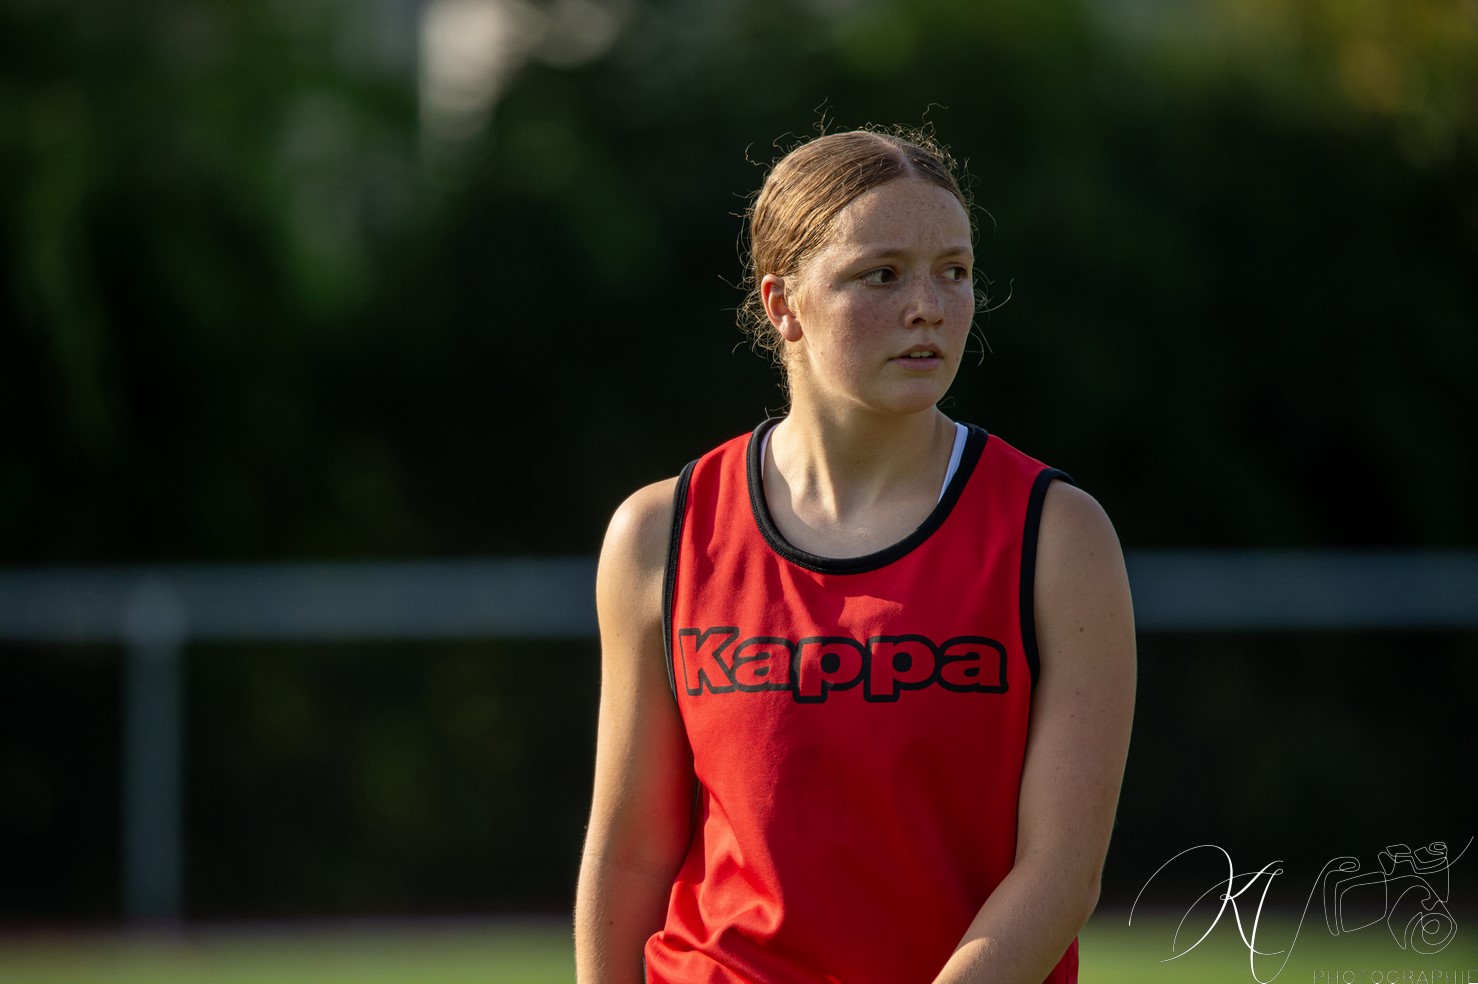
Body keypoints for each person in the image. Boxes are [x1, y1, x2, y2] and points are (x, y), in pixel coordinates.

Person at [574, 127, 1136, 984]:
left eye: (954, 270)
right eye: (883, 274)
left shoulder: (1056, 534)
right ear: (782, 304)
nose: (930, 306)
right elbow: (631, 853)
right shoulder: (662, 532)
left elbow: (1061, 872)